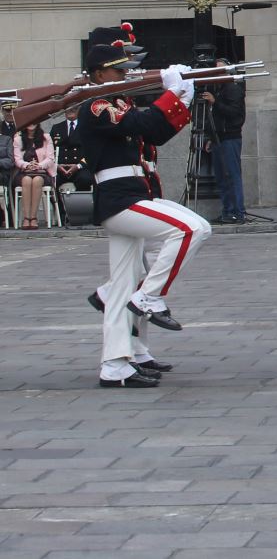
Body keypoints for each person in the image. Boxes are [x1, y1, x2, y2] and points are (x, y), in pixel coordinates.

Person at [79, 42, 212, 387]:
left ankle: (115, 365)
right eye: (117, 70)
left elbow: (155, 131)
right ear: (97, 75)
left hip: (132, 195)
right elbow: (142, 120)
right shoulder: (95, 105)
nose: (125, 74)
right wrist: (169, 94)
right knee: (191, 229)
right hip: (118, 200)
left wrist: (181, 98)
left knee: (122, 285)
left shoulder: (117, 102)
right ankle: (150, 296)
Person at [201, 56, 248, 222]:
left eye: (221, 70)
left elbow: (233, 113)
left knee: (232, 175)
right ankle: (228, 210)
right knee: (222, 177)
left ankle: (238, 211)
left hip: (230, 137)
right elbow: (215, 117)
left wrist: (215, 102)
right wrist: (210, 137)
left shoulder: (233, 89)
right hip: (219, 137)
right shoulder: (220, 89)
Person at [11, 120, 58, 229]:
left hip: (42, 172)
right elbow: (17, 159)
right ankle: (26, 218)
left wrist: (39, 165)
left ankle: (33, 217)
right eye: (29, 121)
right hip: (24, 172)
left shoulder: (46, 137)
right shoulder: (18, 139)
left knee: (37, 180)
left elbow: (50, 158)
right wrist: (27, 165)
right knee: (27, 180)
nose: (31, 123)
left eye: (34, 121)